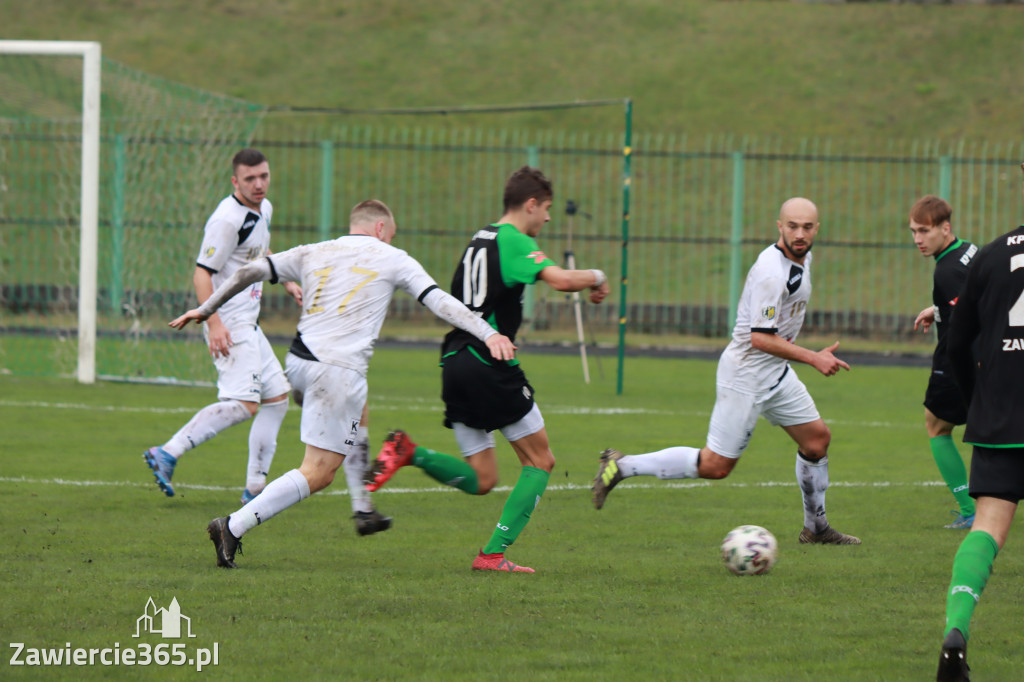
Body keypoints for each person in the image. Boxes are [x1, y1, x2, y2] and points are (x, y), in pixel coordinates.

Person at [168, 199, 516, 569]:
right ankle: (232, 527)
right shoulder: (392, 256)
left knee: (357, 408)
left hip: (300, 360)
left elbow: (250, 270)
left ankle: (363, 507)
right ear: (381, 229)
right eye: (391, 233)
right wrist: (488, 332)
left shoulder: (314, 250)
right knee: (318, 472)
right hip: (335, 371)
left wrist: (207, 310)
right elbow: (440, 302)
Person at [364, 166, 610, 573]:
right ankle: (492, 555)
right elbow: (562, 280)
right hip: (489, 361)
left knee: (482, 478)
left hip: (454, 362)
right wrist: (598, 277)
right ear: (530, 205)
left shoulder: (479, 238)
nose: (547, 218)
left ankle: (410, 452)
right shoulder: (513, 241)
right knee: (541, 461)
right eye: (545, 208)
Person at [592, 197, 861, 546]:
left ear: (816, 228)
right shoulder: (770, 271)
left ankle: (816, 529)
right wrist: (813, 357)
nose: (799, 234)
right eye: (792, 226)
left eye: (807, 227)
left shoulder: (803, 256)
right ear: (779, 226)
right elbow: (760, 338)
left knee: (816, 441)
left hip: (775, 372)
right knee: (715, 466)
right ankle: (621, 466)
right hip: (746, 374)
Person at [142, 148, 304, 507]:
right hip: (229, 321)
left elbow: (259, 251)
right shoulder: (227, 220)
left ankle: (255, 490)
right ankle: (168, 452)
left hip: (247, 319)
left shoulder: (264, 208)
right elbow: (203, 273)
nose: (259, 183)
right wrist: (213, 321)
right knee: (244, 404)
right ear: (235, 181)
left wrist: (288, 280)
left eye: (263, 175)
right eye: (250, 179)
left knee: (276, 398)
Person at [934, 166, 1024, 681]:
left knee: (987, 527)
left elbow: (957, 342)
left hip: (1001, 418)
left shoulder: (990, 256)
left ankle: (958, 629)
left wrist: (978, 404)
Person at [909, 195, 978, 530]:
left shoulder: (946, 270)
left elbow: (969, 315)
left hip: (958, 358)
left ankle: (969, 509)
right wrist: (935, 310)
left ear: (945, 228)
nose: (918, 239)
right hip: (989, 356)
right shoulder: (969, 250)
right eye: (913, 232)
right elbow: (972, 299)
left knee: (936, 425)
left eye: (925, 231)